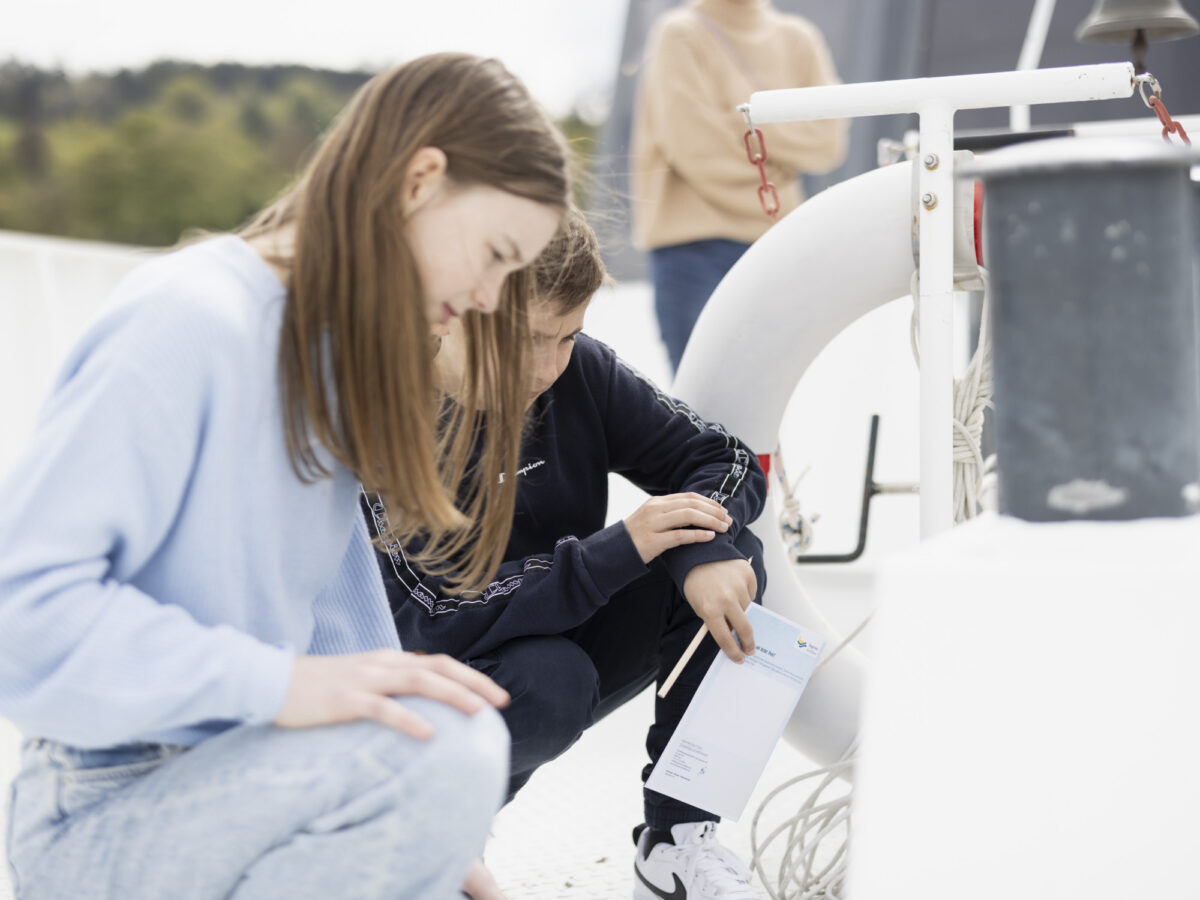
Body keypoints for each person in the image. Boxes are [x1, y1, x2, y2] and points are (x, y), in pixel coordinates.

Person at [0, 53, 570, 900]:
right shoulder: (189, 319)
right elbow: (24, 615)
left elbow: (349, 643)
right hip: (105, 807)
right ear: (421, 180)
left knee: (451, 746)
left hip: (251, 789)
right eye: (494, 253)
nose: (491, 299)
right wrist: (277, 687)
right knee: (455, 742)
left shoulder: (326, 366)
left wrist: (444, 846)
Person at [364, 209, 771, 900]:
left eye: (569, 335)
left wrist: (701, 547)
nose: (549, 366)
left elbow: (719, 458)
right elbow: (426, 618)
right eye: (528, 339)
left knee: (733, 560)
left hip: (552, 627)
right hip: (419, 690)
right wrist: (624, 547)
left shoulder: (578, 373)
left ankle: (675, 843)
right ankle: (438, 839)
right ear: (454, 307)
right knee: (550, 681)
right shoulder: (374, 410)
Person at [631, 0, 849, 373]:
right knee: (705, 407)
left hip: (775, 247)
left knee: (767, 401)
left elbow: (828, 144)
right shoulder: (680, 34)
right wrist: (778, 156)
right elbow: (694, 147)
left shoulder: (799, 38)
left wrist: (740, 127)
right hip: (695, 254)